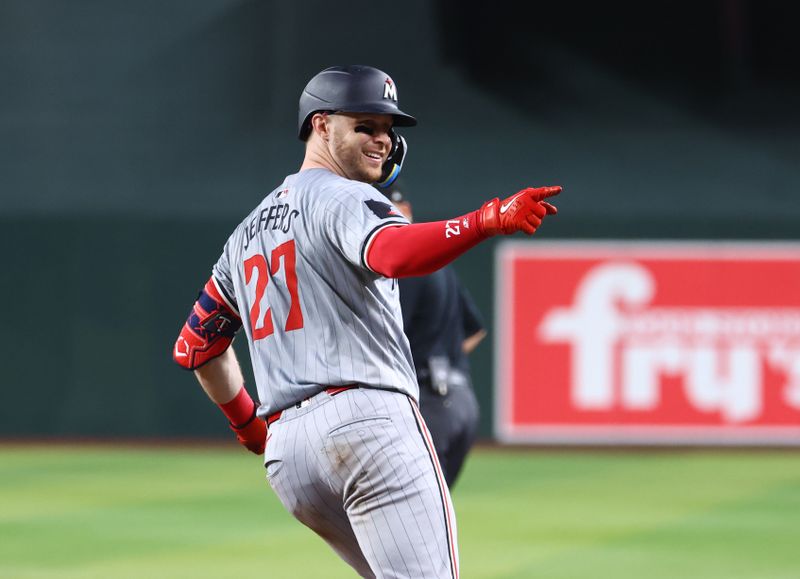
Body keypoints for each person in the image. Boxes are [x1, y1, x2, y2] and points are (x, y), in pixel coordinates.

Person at [173, 64, 560, 579]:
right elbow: (392, 253)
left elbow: (197, 345)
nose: (382, 140)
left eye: (387, 130)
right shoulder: (342, 194)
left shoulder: (243, 235)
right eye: (365, 126)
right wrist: (484, 220)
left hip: (290, 458)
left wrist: (250, 428)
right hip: (367, 425)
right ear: (321, 124)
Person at [385, 185, 486, 489]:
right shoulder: (439, 264)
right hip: (461, 402)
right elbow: (476, 329)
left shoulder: (405, 266)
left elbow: (388, 336)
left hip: (429, 403)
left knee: (410, 518)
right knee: (427, 519)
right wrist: (445, 360)